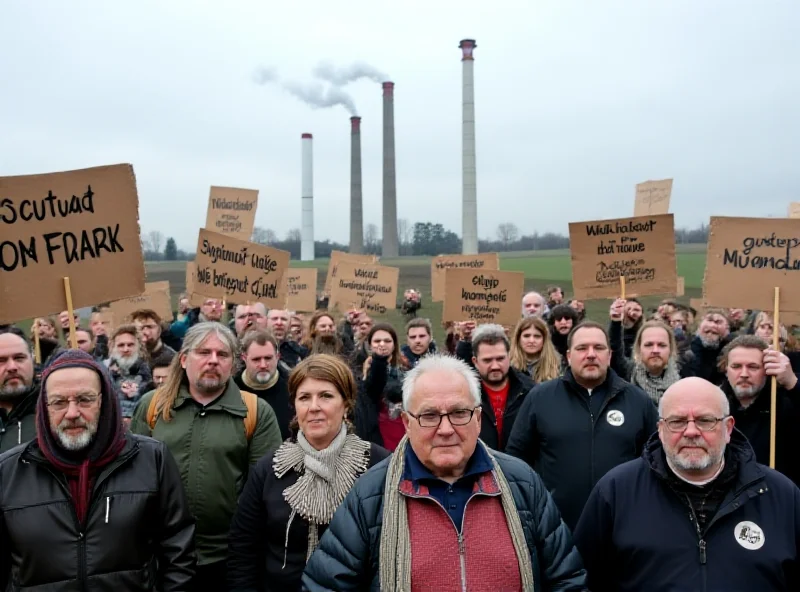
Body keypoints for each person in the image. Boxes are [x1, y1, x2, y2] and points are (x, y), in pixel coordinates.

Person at [302, 354, 587, 591]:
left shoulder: (521, 483)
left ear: (477, 418)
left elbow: (567, 580)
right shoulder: (370, 495)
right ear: (406, 422)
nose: (446, 429)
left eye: (459, 413)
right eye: (429, 416)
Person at [574, 377, 800, 591]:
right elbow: (581, 579)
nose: (691, 431)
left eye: (705, 420)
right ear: (661, 430)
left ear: (728, 428)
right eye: (677, 421)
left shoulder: (781, 495)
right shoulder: (616, 492)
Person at [0, 349, 196, 589]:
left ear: (105, 401)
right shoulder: (9, 472)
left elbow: (178, 555)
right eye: (59, 402)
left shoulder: (151, 459)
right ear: (44, 408)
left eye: (85, 399)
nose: (72, 413)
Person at [130, 322, 283, 589]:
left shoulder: (256, 412)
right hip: (162, 554)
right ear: (184, 358)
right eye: (204, 352)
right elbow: (133, 479)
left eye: (222, 355)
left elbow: (265, 490)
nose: (213, 361)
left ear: (233, 364)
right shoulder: (152, 405)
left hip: (229, 558)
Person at [227, 355, 390, 591]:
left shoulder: (378, 465)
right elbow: (243, 548)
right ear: (295, 406)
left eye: (326, 396)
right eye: (304, 397)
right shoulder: (271, 469)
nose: (314, 407)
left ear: (346, 404)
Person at [506, 321, 659, 530]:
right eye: (582, 348)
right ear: (569, 356)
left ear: (609, 355)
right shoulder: (540, 398)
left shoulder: (638, 401)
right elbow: (516, 459)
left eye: (598, 348)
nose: (590, 354)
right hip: (556, 529)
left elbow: (656, 462)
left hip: (622, 526)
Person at [719, 335, 800, 485]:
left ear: (767, 370)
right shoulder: (715, 404)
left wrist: (792, 382)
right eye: (736, 366)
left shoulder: (785, 402)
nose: (744, 374)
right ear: (726, 370)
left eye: (753, 367)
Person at [465, 323, 534, 451]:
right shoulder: (465, 393)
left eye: (500, 359)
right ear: (475, 361)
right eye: (487, 360)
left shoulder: (530, 391)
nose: (495, 366)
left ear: (509, 357)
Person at [609, 308, 681, 404]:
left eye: (661, 345)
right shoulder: (628, 373)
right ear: (639, 349)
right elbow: (615, 350)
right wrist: (616, 322)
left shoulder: (683, 378)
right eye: (649, 345)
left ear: (670, 349)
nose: (655, 350)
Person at [234, 329, 293, 440]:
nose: (263, 365)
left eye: (268, 358)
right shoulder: (231, 389)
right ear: (244, 358)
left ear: (278, 357)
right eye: (256, 359)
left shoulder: (293, 389)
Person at [355, 323, 406, 451]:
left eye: (387, 341)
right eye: (377, 341)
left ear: (394, 345)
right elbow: (376, 383)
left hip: (403, 431)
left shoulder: (406, 369)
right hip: (378, 434)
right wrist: (378, 360)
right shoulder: (360, 368)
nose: (382, 344)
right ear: (370, 345)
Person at [0, 329, 39, 452]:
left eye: (19, 358)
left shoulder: (55, 413)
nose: (12, 367)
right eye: (1, 360)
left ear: (32, 360)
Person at [680, 308, 733, 383]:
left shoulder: (731, 353)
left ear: (727, 330)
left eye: (718, 322)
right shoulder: (683, 348)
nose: (712, 325)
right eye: (709, 320)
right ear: (699, 326)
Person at [509, 316, 562, 383]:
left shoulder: (558, 365)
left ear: (544, 340)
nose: (531, 340)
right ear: (518, 339)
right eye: (526, 336)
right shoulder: (507, 365)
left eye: (537, 336)